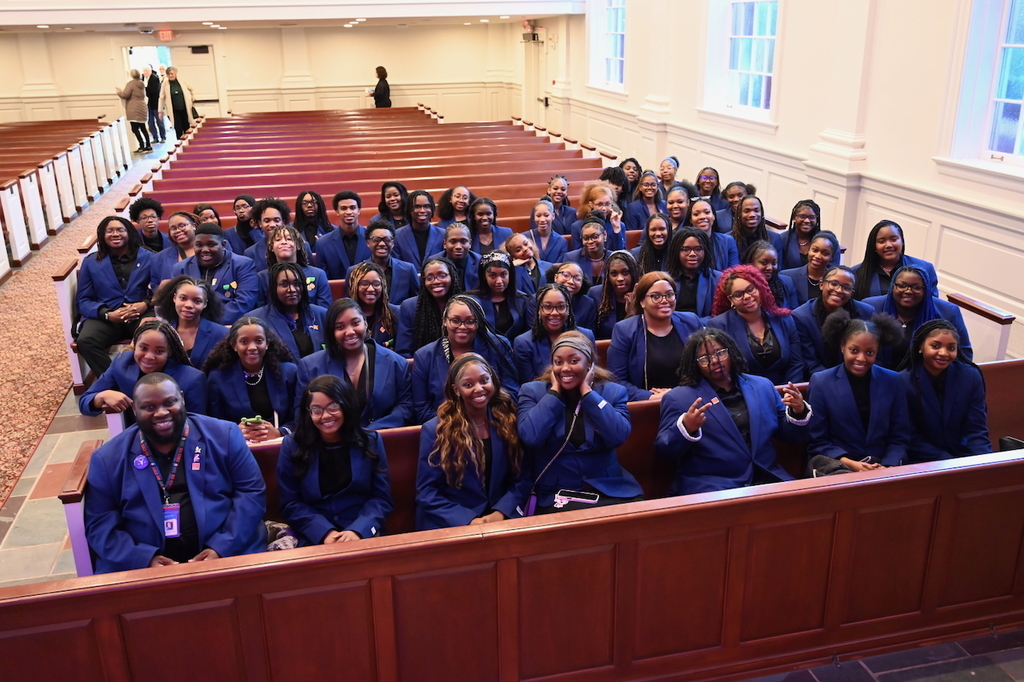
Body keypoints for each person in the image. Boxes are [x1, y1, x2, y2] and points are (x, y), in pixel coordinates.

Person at [84, 372, 266, 573]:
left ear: (182, 398)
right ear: (135, 409)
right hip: (144, 568)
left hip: (226, 553)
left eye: (170, 402)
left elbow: (251, 493)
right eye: (149, 407)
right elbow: (100, 524)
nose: (161, 413)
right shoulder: (107, 458)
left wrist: (220, 548)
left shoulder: (225, 435)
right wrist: (144, 559)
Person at [655, 328, 808, 495]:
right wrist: (686, 428)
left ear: (732, 352)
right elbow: (665, 450)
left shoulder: (762, 386)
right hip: (712, 486)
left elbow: (789, 435)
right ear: (694, 363)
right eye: (705, 358)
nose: (714, 361)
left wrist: (797, 411)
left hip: (767, 477)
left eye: (720, 353)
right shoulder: (679, 398)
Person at [517, 331, 643, 513]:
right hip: (556, 492)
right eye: (558, 362)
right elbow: (531, 437)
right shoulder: (533, 392)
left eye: (574, 361)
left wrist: (588, 394)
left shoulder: (613, 392)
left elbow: (618, 436)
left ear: (590, 364)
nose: (565, 368)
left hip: (608, 488)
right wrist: (553, 394)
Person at [416, 354, 528, 529]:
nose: (479, 389)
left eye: (484, 380)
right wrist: (468, 520)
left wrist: (501, 511)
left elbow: (523, 477)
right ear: (456, 389)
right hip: (453, 522)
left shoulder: (508, 420)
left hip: (501, 517)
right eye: (469, 385)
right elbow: (427, 493)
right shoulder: (435, 430)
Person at [278, 375, 393, 545]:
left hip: (361, 531)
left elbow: (382, 499)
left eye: (333, 407)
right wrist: (324, 532)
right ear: (308, 412)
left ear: (345, 406)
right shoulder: (292, 445)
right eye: (316, 410)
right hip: (314, 535)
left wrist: (358, 530)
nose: (325, 416)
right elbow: (290, 504)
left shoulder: (371, 441)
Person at [807, 312, 910, 470]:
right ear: (843, 347)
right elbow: (818, 441)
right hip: (840, 467)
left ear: (877, 351)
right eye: (854, 351)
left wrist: (888, 466)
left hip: (883, 466)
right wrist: (852, 464)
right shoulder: (821, 382)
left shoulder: (893, 381)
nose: (861, 358)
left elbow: (900, 437)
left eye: (869, 353)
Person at [297, 298, 412, 430]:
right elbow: (302, 414)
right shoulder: (310, 367)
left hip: (380, 438)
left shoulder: (396, 362)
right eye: (340, 327)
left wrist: (371, 432)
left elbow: (405, 407)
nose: (350, 331)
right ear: (332, 332)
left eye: (355, 323)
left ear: (365, 323)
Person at [411, 295, 519, 423]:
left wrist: (481, 420)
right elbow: (422, 409)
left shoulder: (498, 346)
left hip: (494, 424)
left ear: (478, 322)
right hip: (446, 429)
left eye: (470, 321)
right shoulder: (424, 356)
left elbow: (512, 393)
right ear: (445, 321)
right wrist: (455, 424)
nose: (462, 327)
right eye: (455, 320)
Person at [79, 319, 207, 422]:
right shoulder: (121, 363)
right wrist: (101, 396)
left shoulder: (192, 379)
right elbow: (84, 403)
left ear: (169, 353)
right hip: (135, 437)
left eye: (159, 351)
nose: (149, 356)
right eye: (143, 348)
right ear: (135, 346)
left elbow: (197, 423)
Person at [75, 216, 155, 377]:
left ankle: (147, 380)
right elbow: (83, 300)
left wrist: (145, 304)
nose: (115, 234)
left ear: (129, 233)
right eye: (109, 231)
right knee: (86, 341)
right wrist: (107, 314)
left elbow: (162, 290)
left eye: (120, 230)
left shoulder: (150, 257)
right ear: (102, 235)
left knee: (155, 336)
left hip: (141, 312)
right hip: (107, 316)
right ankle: (115, 380)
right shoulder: (91, 262)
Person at [606, 269, 704, 401]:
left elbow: (706, 369)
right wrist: (651, 397)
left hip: (690, 400)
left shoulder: (691, 322)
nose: (664, 300)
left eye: (669, 294)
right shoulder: (624, 330)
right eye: (655, 296)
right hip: (647, 405)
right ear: (642, 302)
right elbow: (616, 381)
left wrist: (678, 394)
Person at [901, 320, 990, 462]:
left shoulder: (970, 376)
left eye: (951, 348)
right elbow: (910, 436)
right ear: (920, 347)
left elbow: (976, 429)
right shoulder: (904, 381)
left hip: (962, 455)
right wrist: (947, 462)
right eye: (935, 346)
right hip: (922, 460)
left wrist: (985, 462)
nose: (943, 353)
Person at [203, 316, 298, 442]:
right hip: (236, 446)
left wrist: (279, 432)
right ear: (234, 345)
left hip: (281, 444)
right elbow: (214, 423)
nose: (252, 347)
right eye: (244, 342)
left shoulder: (289, 372)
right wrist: (234, 431)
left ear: (267, 343)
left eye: (259, 341)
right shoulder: (218, 378)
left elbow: (299, 417)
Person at [706, 265, 806, 385]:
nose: (747, 296)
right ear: (731, 300)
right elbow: (725, 371)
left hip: (785, 391)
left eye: (750, 289)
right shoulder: (719, 326)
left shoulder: (784, 319)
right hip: (743, 394)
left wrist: (787, 392)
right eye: (738, 294)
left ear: (759, 289)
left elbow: (796, 364)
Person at [862, 265, 973, 368]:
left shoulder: (948, 312)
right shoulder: (871, 307)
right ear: (892, 286)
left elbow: (964, 355)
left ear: (926, 289)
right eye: (902, 285)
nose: (908, 291)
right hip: (877, 377)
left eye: (916, 287)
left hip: (927, 380)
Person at [792, 264, 876, 375]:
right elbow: (810, 362)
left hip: (859, 375)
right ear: (821, 284)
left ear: (852, 293)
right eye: (833, 284)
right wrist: (834, 382)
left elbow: (874, 353)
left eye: (846, 288)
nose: (839, 290)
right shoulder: (801, 317)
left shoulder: (866, 312)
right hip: (820, 379)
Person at [171, 223, 259, 324]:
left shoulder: (243, 264)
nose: (205, 250)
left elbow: (244, 302)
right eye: (199, 245)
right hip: (189, 324)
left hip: (228, 326)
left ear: (223, 245)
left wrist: (207, 324)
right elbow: (173, 302)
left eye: (211, 244)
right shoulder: (180, 268)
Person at [513, 283, 597, 382]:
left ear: (568, 309)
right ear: (539, 310)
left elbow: (593, 376)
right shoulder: (523, 343)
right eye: (548, 307)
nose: (554, 313)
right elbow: (530, 386)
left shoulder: (586, 336)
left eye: (561, 307)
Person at [245, 262, 327, 361]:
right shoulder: (256, 320)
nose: (291, 289)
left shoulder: (322, 315)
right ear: (274, 288)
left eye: (296, 284)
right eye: (284, 284)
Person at [852, 220, 939, 300]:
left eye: (894, 239)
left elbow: (933, 304)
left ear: (902, 241)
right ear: (874, 246)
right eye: (881, 241)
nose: (889, 245)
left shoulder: (925, 268)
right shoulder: (856, 273)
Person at [153, 275, 226, 370]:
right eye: (183, 298)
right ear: (174, 298)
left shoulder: (221, 334)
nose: (189, 305)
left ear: (205, 304)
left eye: (197, 301)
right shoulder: (162, 331)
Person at [396, 256, 463, 357]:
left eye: (442, 275)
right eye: (429, 278)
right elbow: (404, 353)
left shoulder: (465, 305)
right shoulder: (410, 307)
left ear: (452, 277)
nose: (436, 281)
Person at [254, 225, 331, 309]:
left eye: (289, 239)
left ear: (298, 245)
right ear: (271, 247)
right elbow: (261, 311)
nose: (284, 242)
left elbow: (323, 311)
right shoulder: (261, 278)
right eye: (278, 239)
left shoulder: (318, 274)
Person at [469, 251, 533, 340]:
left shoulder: (523, 300)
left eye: (503, 274)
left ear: (510, 274)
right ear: (484, 276)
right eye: (492, 275)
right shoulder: (472, 301)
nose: (499, 281)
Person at [354, 220, 419, 304]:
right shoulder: (355, 271)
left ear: (393, 243)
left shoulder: (408, 270)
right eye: (376, 239)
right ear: (368, 243)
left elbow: (416, 304)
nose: (382, 243)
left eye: (387, 239)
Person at [665, 228, 721, 319]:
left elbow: (720, 316)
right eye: (686, 249)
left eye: (698, 249)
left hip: (707, 328)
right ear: (676, 251)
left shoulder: (718, 279)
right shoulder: (664, 280)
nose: (692, 254)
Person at [347, 261, 401, 350]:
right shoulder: (345, 314)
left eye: (376, 284)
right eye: (364, 284)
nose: (371, 289)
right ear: (355, 286)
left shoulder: (395, 314)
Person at [780, 230, 841, 306]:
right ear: (808, 250)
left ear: (832, 257)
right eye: (815, 250)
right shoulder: (787, 276)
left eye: (825, 253)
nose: (818, 256)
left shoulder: (835, 282)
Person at [315, 190, 367, 277]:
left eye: (353, 207)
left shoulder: (372, 238)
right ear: (337, 212)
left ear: (359, 211)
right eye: (343, 208)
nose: (349, 212)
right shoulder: (322, 244)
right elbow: (324, 278)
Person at [590, 250, 639, 339]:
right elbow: (591, 334)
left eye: (625, 272)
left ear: (633, 273)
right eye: (614, 274)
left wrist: (632, 313)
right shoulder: (595, 294)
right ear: (608, 276)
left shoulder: (644, 294)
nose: (620, 278)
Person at [150, 211, 199, 294]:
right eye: (173, 228)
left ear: (193, 226)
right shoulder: (158, 258)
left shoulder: (210, 250)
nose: (178, 230)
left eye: (182, 226)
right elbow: (154, 291)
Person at [393, 189, 442, 270]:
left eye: (426, 206)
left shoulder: (442, 234)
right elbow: (396, 266)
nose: (422, 210)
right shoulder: (397, 236)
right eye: (417, 207)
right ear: (409, 209)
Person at [742, 240, 799, 310]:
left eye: (774, 263)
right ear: (751, 263)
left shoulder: (787, 282)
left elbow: (794, 314)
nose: (769, 268)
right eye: (764, 263)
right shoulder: (741, 286)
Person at [776, 199, 831, 270]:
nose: (807, 221)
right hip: (789, 280)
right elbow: (779, 268)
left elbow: (831, 269)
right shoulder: (783, 239)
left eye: (812, 217)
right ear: (794, 218)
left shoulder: (826, 241)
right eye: (802, 216)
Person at [569, 182, 624, 251]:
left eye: (607, 204)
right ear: (591, 204)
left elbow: (621, 253)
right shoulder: (577, 226)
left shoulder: (619, 225)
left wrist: (616, 230)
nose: (604, 208)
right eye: (599, 204)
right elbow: (578, 254)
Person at [690, 196, 741, 269]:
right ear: (690, 219)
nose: (702, 217)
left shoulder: (728, 241)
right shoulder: (682, 242)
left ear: (714, 216)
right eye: (696, 214)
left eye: (707, 212)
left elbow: (734, 272)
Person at [429, 222, 481, 292]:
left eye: (463, 241)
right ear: (445, 244)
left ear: (470, 244)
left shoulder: (480, 262)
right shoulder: (433, 262)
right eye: (453, 242)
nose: (458, 247)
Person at [564, 217, 610, 285]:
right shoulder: (571, 258)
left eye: (595, 237)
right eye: (586, 238)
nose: (590, 241)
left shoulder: (613, 257)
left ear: (605, 235)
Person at [506, 232, 554, 296]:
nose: (525, 249)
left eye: (526, 244)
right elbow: (516, 293)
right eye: (518, 250)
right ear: (512, 256)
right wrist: (515, 267)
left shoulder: (549, 266)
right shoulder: (511, 271)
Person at [552, 261, 597, 329]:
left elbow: (589, 335)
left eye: (577, 279)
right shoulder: (537, 299)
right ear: (556, 277)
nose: (571, 282)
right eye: (566, 275)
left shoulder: (588, 304)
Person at [158, 66, 197, 139]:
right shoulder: (165, 83)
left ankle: (188, 143)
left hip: (185, 108)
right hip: (174, 110)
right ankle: (180, 145)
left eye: (172, 74)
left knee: (186, 126)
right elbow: (161, 97)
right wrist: (160, 111)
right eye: (168, 74)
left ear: (175, 74)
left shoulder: (181, 81)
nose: (170, 75)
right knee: (178, 128)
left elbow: (192, 89)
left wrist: (193, 96)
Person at [116, 69, 150, 153]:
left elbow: (125, 95)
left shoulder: (130, 84)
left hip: (133, 108)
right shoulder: (142, 83)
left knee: (135, 129)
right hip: (142, 106)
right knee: (143, 128)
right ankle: (148, 145)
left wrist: (119, 92)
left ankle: (141, 145)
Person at [527, 199, 569, 264]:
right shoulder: (526, 237)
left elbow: (560, 266)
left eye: (546, 215)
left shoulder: (561, 242)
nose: (542, 219)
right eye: (538, 216)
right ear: (534, 217)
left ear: (553, 216)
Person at [142, 65, 166, 145]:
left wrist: (145, 89)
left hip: (155, 103)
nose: (145, 72)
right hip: (147, 104)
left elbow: (154, 90)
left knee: (159, 121)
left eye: (147, 71)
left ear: (151, 71)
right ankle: (155, 137)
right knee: (150, 122)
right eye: (144, 71)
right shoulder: (142, 78)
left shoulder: (155, 78)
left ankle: (163, 137)